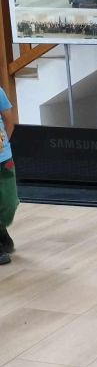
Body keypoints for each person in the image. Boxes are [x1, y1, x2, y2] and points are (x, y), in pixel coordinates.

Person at [0, 86, 18, 265]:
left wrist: (4, 146)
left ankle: (1, 227)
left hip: (3, 158)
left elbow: (8, 122)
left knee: (10, 202)